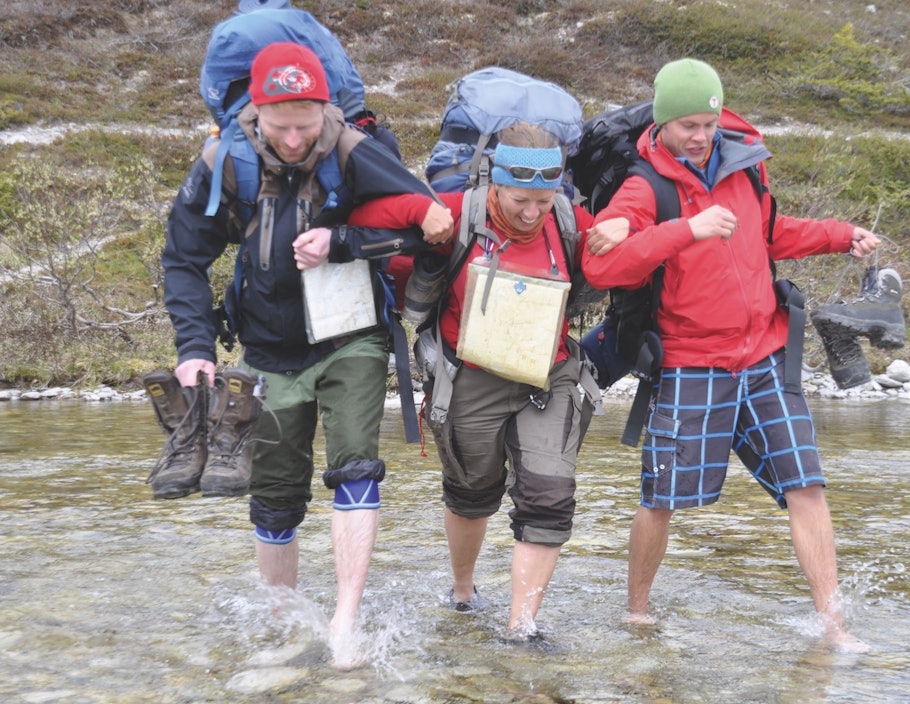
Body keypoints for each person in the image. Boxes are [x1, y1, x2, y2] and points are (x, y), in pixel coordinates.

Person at [161, 41, 453, 669]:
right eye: (280, 125)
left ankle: (345, 617)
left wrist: (343, 240)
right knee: (273, 496)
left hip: (352, 338)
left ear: (327, 108)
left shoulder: (356, 151)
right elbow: (183, 258)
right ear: (254, 113)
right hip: (265, 347)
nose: (295, 140)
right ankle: (283, 620)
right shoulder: (224, 160)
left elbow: (430, 228)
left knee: (355, 467)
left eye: (308, 124)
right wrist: (193, 348)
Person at [581, 58, 876, 652]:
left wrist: (840, 236)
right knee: (661, 501)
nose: (699, 135)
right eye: (687, 124)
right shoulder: (645, 187)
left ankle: (832, 624)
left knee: (806, 487)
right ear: (662, 123)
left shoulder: (745, 169)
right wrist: (687, 229)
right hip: (691, 363)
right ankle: (637, 612)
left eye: (708, 122)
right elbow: (602, 263)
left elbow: (769, 233)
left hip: (765, 357)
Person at [348, 122, 626, 645]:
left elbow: (627, 258)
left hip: (552, 375)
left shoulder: (567, 220)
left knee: (549, 496)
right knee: (471, 493)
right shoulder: (456, 213)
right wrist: (416, 213)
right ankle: (462, 590)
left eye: (543, 201)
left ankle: (522, 627)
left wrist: (625, 228)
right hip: (469, 377)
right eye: (520, 200)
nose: (531, 213)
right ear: (493, 185)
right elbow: (361, 219)